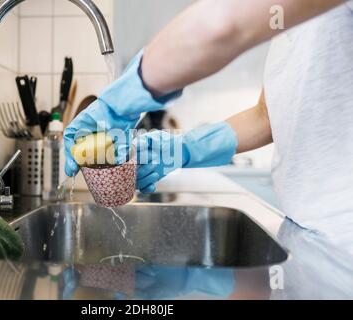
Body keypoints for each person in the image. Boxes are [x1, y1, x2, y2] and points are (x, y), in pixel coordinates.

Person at [64, 0, 353, 241]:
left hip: (343, 237)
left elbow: (220, 25)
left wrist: (119, 104)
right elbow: (267, 116)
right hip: (307, 231)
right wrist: (184, 149)